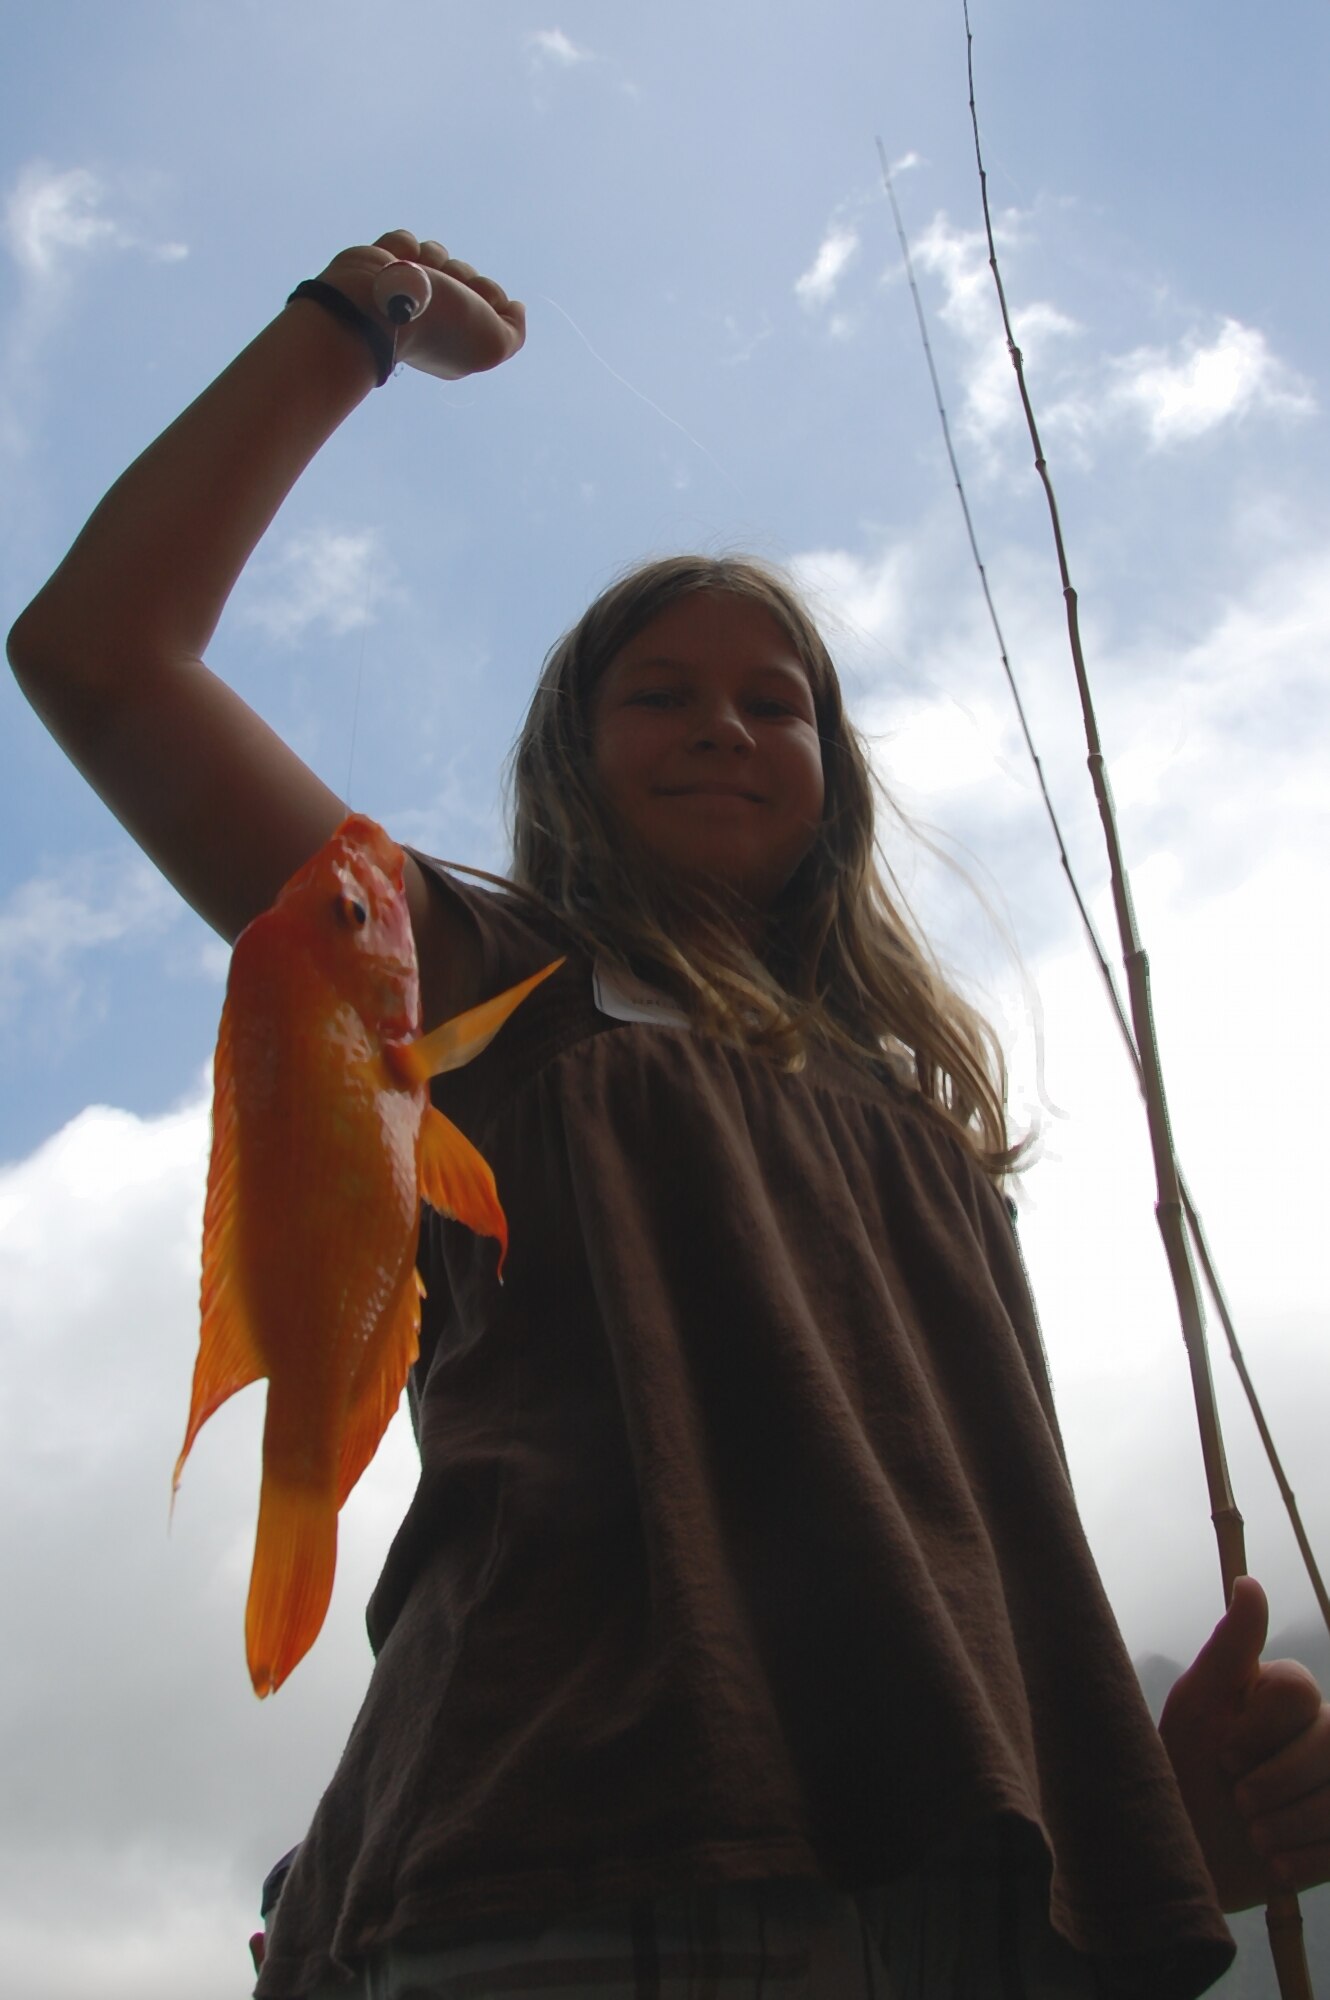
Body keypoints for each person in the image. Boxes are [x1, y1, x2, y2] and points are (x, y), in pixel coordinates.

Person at [9, 231, 1330, 2000]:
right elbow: (102, 656)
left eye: (771, 703)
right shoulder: (468, 965)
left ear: (831, 782)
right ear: (571, 754)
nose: (723, 725)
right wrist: (357, 323)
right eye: (661, 694)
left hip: (972, 1909)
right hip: (557, 1848)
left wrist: (1156, 1822)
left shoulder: (923, 1123)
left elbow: (953, 1520)